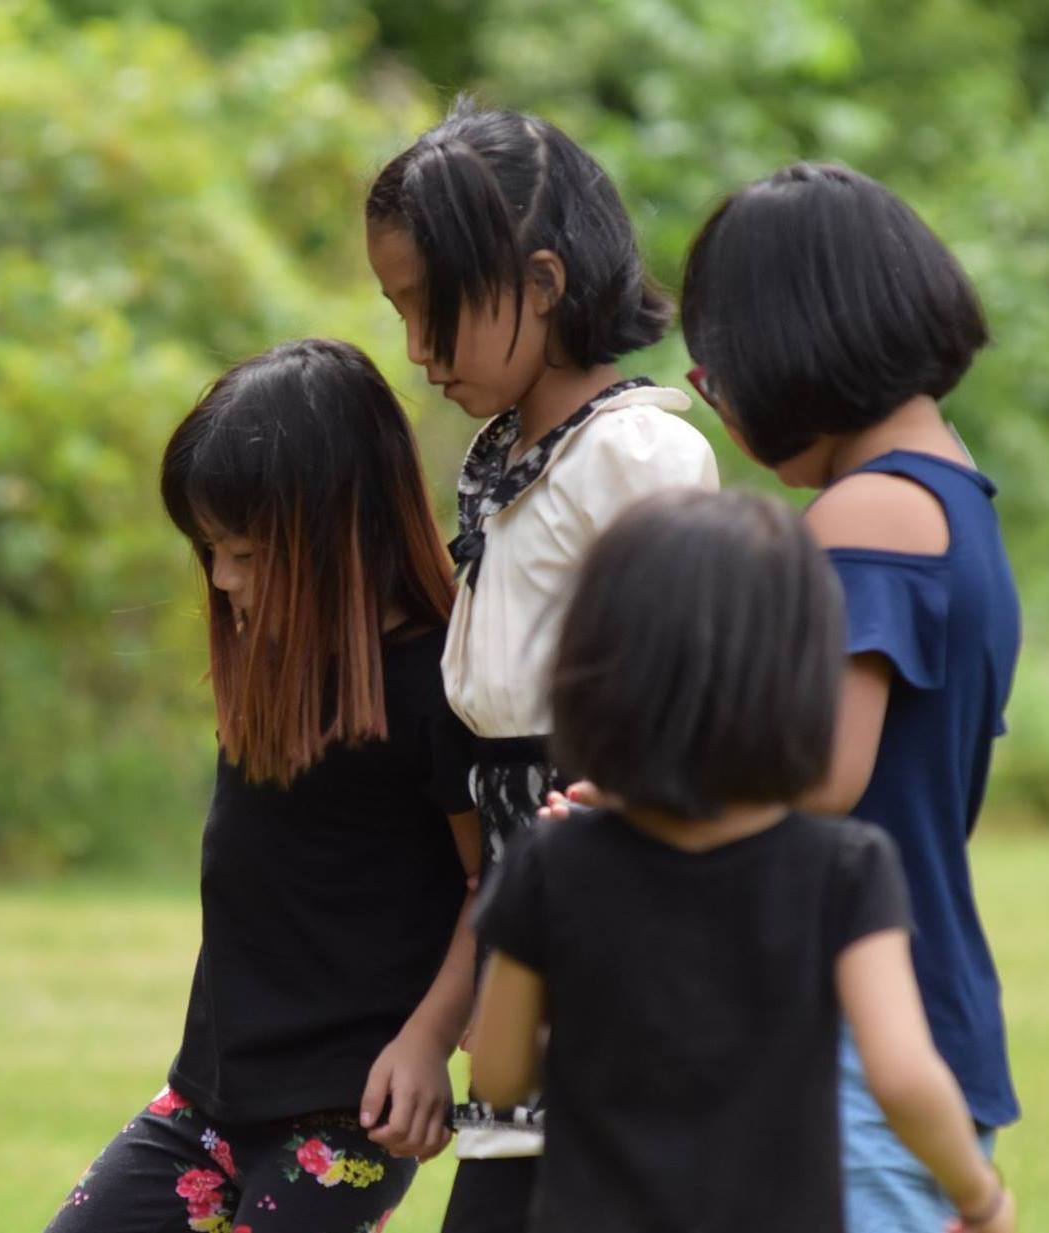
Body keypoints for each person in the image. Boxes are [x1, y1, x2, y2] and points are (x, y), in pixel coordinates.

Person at [473, 489, 1014, 1233]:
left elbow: (498, 1070)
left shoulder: (551, 859)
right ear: (800, 675)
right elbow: (900, 1072)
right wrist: (978, 1197)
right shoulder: (844, 868)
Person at [364, 97, 717, 1233]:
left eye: (434, 310)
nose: (416, 352)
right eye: (398, 313)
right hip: (523, 962)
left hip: (623, 965)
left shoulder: (639, 456)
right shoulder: (504, 458)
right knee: (497, 1202)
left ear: (543, 283)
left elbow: (698, 712)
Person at [45, 339, 481, 1233]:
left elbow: (496, 881)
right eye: (209, 549)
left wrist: (429, 1039)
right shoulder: (274, 662)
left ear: (339, 533)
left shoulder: (440, 685)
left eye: (244, 550)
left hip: (346, 1114)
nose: (222, 578)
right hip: (208, 1100)